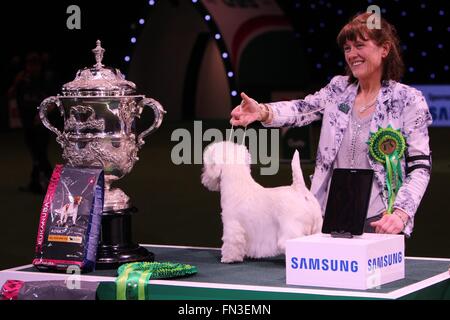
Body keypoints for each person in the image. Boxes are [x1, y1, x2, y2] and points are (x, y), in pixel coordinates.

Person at [230, 12, 432, 237]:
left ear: (384, 49)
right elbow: (303, 109)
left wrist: (401, 214)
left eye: (359, 45)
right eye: (347, 48)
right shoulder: (338, 89)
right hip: (327, 216)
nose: (352, 54)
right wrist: (262, 111)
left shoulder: (408, 100)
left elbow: (420, 167)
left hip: (381, 221)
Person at [8, 52, 55, 194]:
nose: (32, 67)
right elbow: (10, 95)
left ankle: (52, 183)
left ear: (40, 66)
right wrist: (16, 82)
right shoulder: (23, 79)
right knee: (36, 154)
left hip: (42, 123)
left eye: (35, 64)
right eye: (30, 64)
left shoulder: (45, 79)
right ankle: (35, 184)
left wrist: (41, 116)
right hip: (27, 122)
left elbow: (53, 101)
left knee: (40, 154)